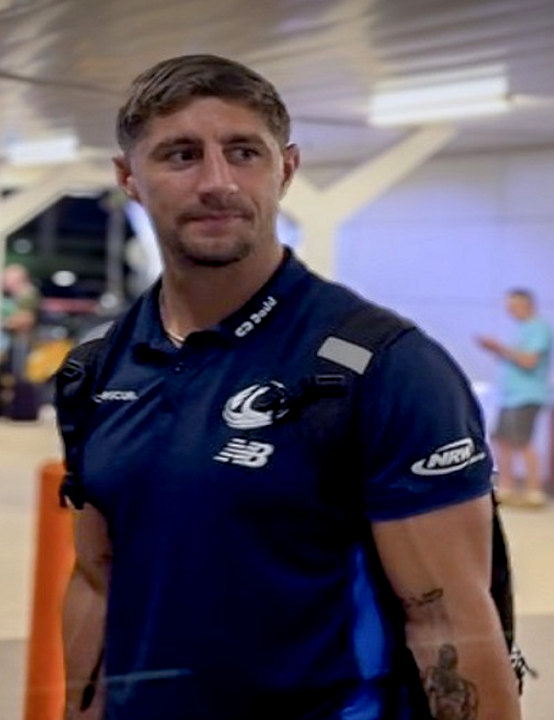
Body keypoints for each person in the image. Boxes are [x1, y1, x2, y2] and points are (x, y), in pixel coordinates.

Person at [59, 54, 520, 720]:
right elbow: (97, 580)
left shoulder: (385, 367)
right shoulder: (98, 370)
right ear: (128, 177)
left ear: (288, 168)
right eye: (181, 155)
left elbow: (450, 624)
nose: (217, 182)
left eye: (244, 152)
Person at [475, 288, 554, 508]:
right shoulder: (520, 330)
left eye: (513, 306)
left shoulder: (539, 329)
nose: (510, 311)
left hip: (526, 395)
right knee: (502, 440)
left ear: (527, 305)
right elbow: (513, 357)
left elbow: (529, 361)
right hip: (508, 396)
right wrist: (494, 350)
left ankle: (534, 490)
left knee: (523, 441)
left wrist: (501, 347)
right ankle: (507, 487)